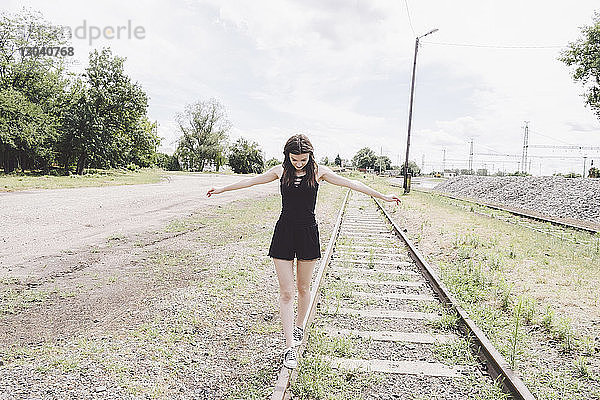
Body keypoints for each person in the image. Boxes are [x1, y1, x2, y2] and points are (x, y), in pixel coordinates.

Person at [206, 134, 400, 369]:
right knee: (286, 293)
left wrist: (383, 196)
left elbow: (352, 184)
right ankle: (289, 347)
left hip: (308, 233)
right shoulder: (280, 171)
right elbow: (252, 181)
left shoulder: (319, 171)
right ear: (287, 155)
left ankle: (299, 328)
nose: (299, 163)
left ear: (310, 155)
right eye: (295, 159)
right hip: (284, 233)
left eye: (303, 159)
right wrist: (222, 189)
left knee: (303, 288)